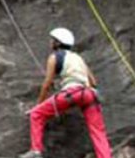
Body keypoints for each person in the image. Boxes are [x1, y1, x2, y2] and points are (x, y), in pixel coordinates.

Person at [19, 28, 112, 158]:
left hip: (71, 94)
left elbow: (47, 84)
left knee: (36, 114)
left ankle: (36, 151)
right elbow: (93, 81)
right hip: (89, 94)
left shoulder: (54, 57)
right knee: (98, 131)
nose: (50, 42)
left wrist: (38, 105)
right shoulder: (78, 58)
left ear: (57, 43)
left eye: (52, 40)